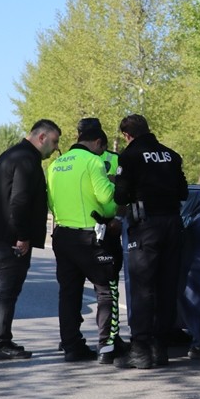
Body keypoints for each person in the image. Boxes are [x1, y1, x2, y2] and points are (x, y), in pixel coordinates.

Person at [0, 119, 61, 360]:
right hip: (10, 237)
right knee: (6, 291)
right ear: (41, 137)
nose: (55, 148)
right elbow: (19, 201)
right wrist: (22, 236)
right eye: (54, 142)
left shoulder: (10, 154)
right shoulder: (27, 159)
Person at [113, 114, 188, 369]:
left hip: (146, 228)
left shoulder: (130, 155)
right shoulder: (171, 155)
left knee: (143, 288)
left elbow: (121, 196)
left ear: (127, 135)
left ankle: (140, 349)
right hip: (173, 225)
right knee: (167, 286)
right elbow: (183, 192)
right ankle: (159, 347)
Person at [47, 124, 121, 363]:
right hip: (91, 237)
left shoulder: (55, 165)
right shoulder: (93, 162)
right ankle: (106, 348)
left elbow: (51, 202)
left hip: (63, 236)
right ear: (98, 143)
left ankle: (71, 346)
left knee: (68, 293)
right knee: (105, 290)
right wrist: (114, 207)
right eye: (102, 149)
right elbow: (106, 198)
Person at [77, 116, 125, 360]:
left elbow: (120, 189)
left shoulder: (113, 158)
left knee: (76, 289)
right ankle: (108, 341)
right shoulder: (106, 157)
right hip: (103, 228)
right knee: (107, 290)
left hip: (93, 228)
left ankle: (74, 340)